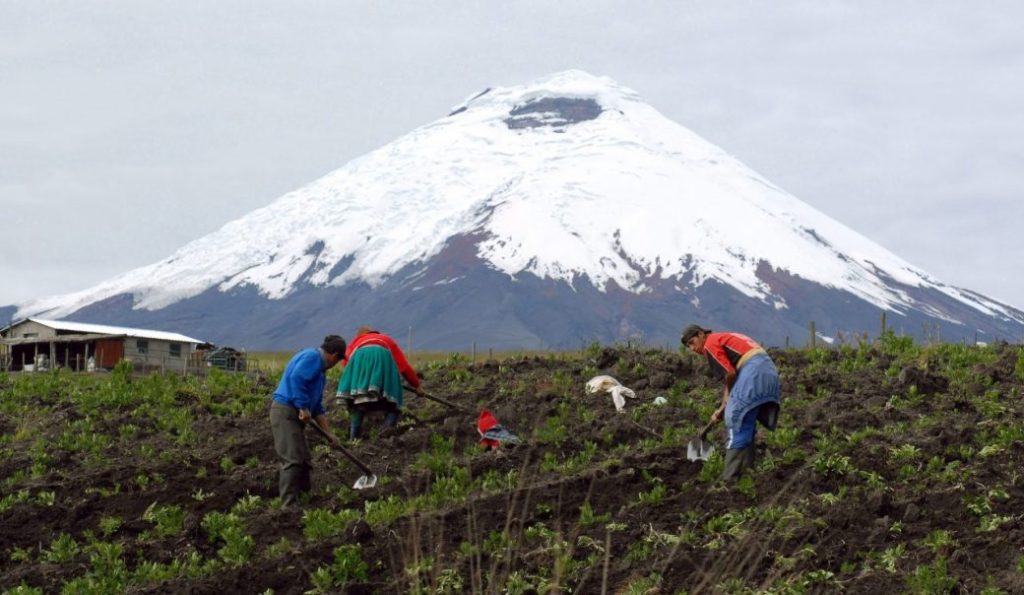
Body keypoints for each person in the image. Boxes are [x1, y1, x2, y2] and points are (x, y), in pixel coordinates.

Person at [681, 324, 780, 480]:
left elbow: (729, 373)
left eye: (692, 342)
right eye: (688, 347)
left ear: (701, 334)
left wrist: (725, 405)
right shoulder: (723, 337)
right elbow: (732, 377)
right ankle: (748, 474)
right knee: (746, 420)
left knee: (735, 418)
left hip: (753, 371)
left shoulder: (710, 343)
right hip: (768, 372)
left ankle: (730, 479)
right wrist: (724, 405)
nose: (692, 348)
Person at [270, 335, 346, 507]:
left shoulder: (320, 373)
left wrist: (329, 434)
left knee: (303, 460)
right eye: (339, 358)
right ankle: (288, 507)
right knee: (292, 460)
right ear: (333, 355)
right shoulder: (312, 357)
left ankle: (305, 501)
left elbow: (317, 406)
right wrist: (303, 407)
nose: (337, 363)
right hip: (285, 412)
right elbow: (297, 378)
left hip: (294, 413)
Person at [336, 326, 423, 439]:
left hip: (359, 382)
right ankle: (386, 435)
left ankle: (354, 439)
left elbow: (345, 363)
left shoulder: (356, 342)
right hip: (381, 382)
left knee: (356, 406)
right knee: (393, 406)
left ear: (360, 336)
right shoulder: (386, 340)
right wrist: (417, 385)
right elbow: (404, 367)